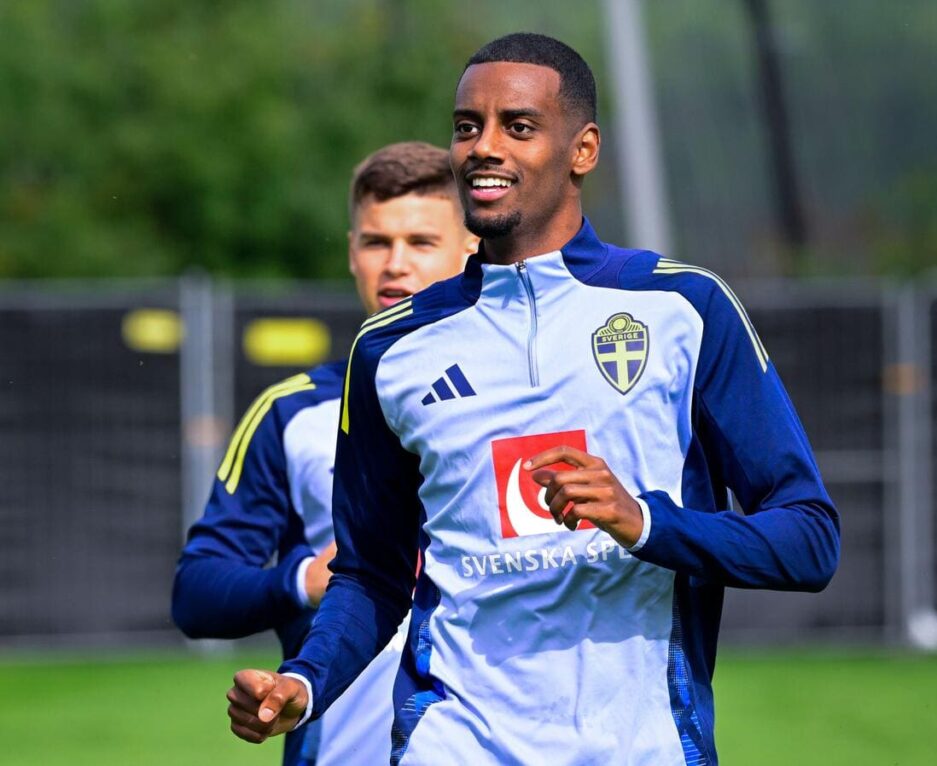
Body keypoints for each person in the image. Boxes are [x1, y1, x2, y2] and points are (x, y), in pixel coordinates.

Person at [227, 34, 840, 765]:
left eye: (517, 126)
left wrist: (644, 522)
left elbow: (808, 539)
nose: (483, 147)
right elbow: (371, 573)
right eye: (466, 127)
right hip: (451, 745)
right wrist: (305, 681)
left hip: (640, 746)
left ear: (583, 150)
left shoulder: (686, 307)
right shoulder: (390, 348)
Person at [172, 141, 478, 766]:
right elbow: (195, 592)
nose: (395, 264)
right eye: (375, 242)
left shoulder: (526, 395)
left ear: (470, 247)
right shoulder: (292, 413)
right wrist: (307, 580)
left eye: (421, 242)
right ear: (350, 253)